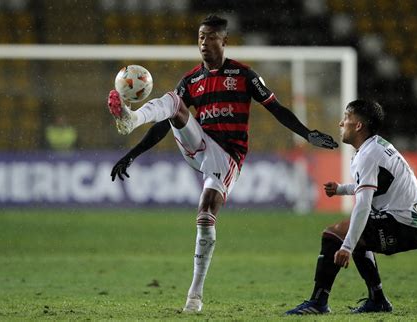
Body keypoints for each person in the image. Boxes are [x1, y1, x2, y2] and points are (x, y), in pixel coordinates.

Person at [106, 15, 338, 313]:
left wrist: (307, 134)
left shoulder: (244, 75)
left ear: (224, 41)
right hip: (196, 145)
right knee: (174, 102)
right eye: (201, 37)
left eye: (211, 37)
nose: (204, 42)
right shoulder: (191, 80)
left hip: (226, 156)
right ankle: (131, 118)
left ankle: (194, 296)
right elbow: (166, 124)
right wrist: (133, 153)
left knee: (205, 212)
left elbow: (276, 109)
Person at [286, 99, 417, 315]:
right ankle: (378, 300)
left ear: (359, 125)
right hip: (412, 223)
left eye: (346, 118)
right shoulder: (375, 147)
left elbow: (363, 205)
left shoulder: (369, 155)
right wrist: (342, 189)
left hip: (405, 225)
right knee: (357, 236)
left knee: (334, 234)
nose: (340, 123)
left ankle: (318, 302)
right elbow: (377, 185)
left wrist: (346, 247)